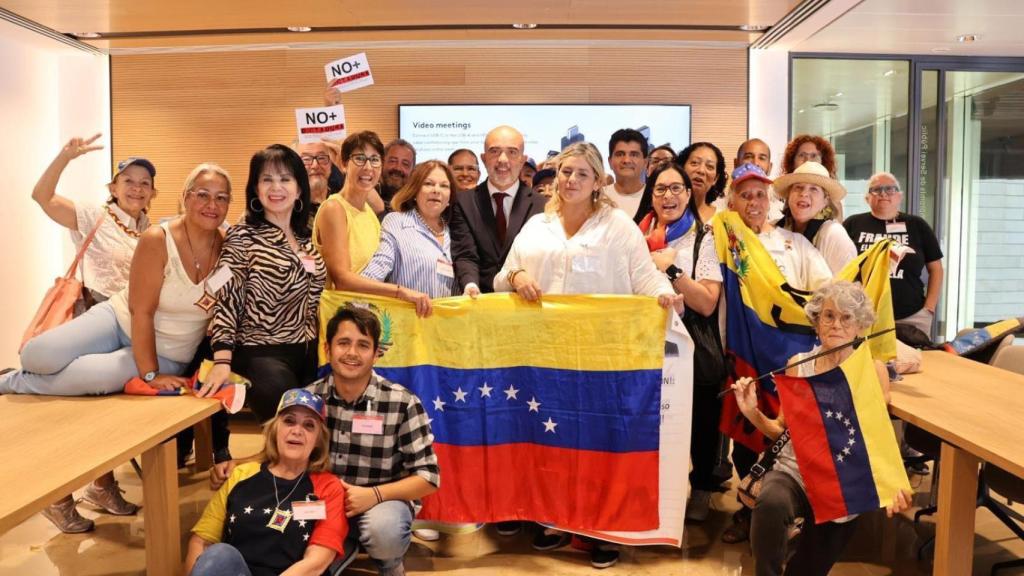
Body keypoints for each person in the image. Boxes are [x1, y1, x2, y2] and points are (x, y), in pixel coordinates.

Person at [3, 163, 231, 532]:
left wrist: (156, 366)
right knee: (36, 355)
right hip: (119, 317)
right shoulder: (158, 237)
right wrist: (149, 375)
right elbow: (141, 311)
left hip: (170, 348)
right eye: (202, 194)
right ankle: (23, 373)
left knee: (95, 378)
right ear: (185, 197)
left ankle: (13, 383)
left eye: (221, 197)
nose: (211, 204)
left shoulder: (228, 247)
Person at [495, 142, 681, 569]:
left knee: (598, 444)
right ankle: (554, 520)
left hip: (601, 358)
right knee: (551, 442)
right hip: (543, 357)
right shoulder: (536, 226)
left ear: (599, 181)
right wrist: (518, 274)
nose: (571, 180)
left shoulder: (617, 226)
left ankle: (600, 530)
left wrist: (666, 296)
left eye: (582, 173)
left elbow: (644, 278)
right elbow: (501, 275)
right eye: (565, 172)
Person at [214, 306, 440, 576]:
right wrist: (236, 464)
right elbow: (278, 451)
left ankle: (390, 565)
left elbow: (428, 477)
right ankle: (332, 551)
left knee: (384, 530)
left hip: (380, 502)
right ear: (327, 348)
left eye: (363, 345)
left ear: (376, 353)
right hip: (319, 503)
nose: (352, 353)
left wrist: (373, 495)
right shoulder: (307, 399)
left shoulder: (402, 402)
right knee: (281, 524)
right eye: (343, 343)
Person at [730, 281, 911, 576]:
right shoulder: (798, 365)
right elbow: (781, 431)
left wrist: (893, 486)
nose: (836, 324)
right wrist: (751, 412)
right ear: (816, 321)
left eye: (846, 317)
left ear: (860, 325)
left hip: (843, 484)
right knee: (771, 502)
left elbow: (876, 438)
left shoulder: (872, 370)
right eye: (828, 315)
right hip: (795, 472)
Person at [721, 162, 833, 544]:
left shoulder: (795, 243)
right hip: (744, 351)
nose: (753, 202)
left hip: (790, 357)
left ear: (770, 200)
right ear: (731, 200)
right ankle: (747, 511)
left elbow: (823, 290)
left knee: (789, 438)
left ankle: (785, 515)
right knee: (746, 433)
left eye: (759, 195)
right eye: (744, 194)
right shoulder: (726, 238)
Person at [205, 145, 325, 422]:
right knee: (291, 423)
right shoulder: (242, 236)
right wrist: (222, 360)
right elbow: (226, 299)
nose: (276, 187)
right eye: (267, 179)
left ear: (298, 189)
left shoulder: (306, 238)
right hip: (261, 353)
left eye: (285, 179)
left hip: (309, 352)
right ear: (256, 189)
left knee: (316, 431)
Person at [186, 389, 348, 576]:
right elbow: (202, 541)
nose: (297, 431)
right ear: (274, 429)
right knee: (220, 554)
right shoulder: (242, 474)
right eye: (289, 421)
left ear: (319, 440)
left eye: (309, 425)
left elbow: (316, 562)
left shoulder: (329, 487)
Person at [639, 164, 723, 522]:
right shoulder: (636, 234)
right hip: (646, 341)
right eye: (660, 189)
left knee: (701, 424)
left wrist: (671, 271)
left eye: (676, 188)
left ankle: (702, 488)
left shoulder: (704, 238)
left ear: (689, 194)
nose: (668, 196)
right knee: (657, 425)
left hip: (691, 342)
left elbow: (706, 301)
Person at [32, 134, 156, 305]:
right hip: (96, 313)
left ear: (151, 193)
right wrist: (64, 157)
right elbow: (43, 197)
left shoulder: (151, 231)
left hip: (135, 317)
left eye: (144, 183)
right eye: (128, 181)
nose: (137, 188)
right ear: (113, 189)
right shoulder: (93, 216)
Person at [450, 125, 547, 298]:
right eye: (494, 151)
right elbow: (465, 254)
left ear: (522, 160)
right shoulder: (463, 202)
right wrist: (470, 285)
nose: (503, 159)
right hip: (479, 302)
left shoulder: (543, 206)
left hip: (527, 304)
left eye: (512, 152)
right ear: (484, 158)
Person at [843, 172, 944, 337]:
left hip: (912, 317)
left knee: (914, 362)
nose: (883, 193)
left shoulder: (917, 225)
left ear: (899, 196)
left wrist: (929, 308)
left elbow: (936, 269)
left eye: (890, 189)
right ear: (867, 198)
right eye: (876, 190)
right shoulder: (852, 224)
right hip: (862, 317)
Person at [362, 160, 458, 299]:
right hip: (406, 318)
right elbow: (376, 270)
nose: (436, 190)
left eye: (444, 186)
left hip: (448, 319)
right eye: (428, 184)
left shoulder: (456, 231)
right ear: (415, 191)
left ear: (450, 197)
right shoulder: (397, 222)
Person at [773, 161, 857, 274]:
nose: (804, 194)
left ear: (825, 201)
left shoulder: (834, 234)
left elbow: (845, 287)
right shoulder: (773, 228)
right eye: (798, 187)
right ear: (789, 196)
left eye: (813, 189)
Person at [601, 128, 649, 219]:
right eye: (620, 154)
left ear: (645, 163)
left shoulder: (655, 197)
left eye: (634, 154)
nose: (626, 160)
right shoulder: (598, 197)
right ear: (610, 162)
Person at [677, 142, 728, 224]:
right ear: (682, 168)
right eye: (694, 163)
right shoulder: (666, 214)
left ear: (715, 179)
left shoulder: (724, 220)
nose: (701, 170)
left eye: (709, 166)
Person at [380, 139, 417, 212]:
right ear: (382, 163)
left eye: (405, 164)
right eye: (393, 161)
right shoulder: (368, 196)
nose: (398, 168)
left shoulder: (416, 204)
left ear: (412, 171)